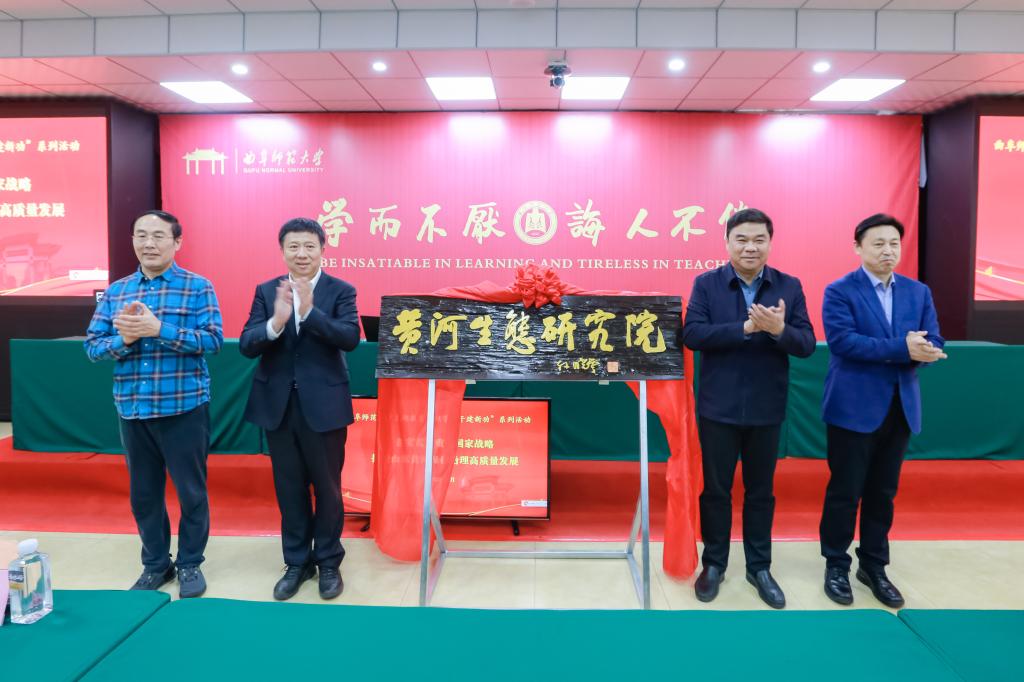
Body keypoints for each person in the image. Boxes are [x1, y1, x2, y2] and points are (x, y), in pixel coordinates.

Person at [84, 209, 223, 599]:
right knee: (144, 496)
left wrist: (160, 329)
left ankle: (190, 563)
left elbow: (213, 340)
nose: (149, 243)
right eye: (141, 235)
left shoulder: (197, 287)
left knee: (191, 493)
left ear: (177, 242)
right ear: (132, 241)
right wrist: (124, 340)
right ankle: (156, 565)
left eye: (159, 236)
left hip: (183, 408)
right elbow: (93, 348)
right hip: (133, 409)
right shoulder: (117, 292)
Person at [682, 207, 815, 608]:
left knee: (761, 492)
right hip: (718, 408)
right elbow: (692, 335)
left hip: (766, 407)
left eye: (759, 239)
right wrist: (744, 328)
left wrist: (778, 330)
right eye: (741, 239)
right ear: (727, 243)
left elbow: (806, 344)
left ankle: (760, 568)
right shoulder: (706, 284)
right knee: (716, 491)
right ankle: (714, 565)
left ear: (770, 243)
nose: (750, 247)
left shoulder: (788, 286)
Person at [819, 213, 946, 608]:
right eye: (878, 244)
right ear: (858, 247)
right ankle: (836, 564)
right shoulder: (840, 291)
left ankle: (873, 565)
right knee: (845, 491)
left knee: (883, 492)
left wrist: (927, 351)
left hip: (900, 407)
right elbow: (844, 342)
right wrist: (902, 348)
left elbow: (934, 337)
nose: (888, 251)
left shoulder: (918, 292)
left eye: (893, 243)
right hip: (853, 408)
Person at [239, 217, 360, 601]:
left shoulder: (341, 290)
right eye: (293, 246)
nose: (301, 253)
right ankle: (296, 562)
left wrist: (309, 313)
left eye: (309, 246)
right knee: (289, 488)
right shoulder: (266, 291)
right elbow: (247, 344)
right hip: (278, 407)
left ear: (323, 249)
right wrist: (276, 322)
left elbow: (350, 338)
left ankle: (328, 562)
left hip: (324, 407)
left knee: (328, 489)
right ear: (282, 251)